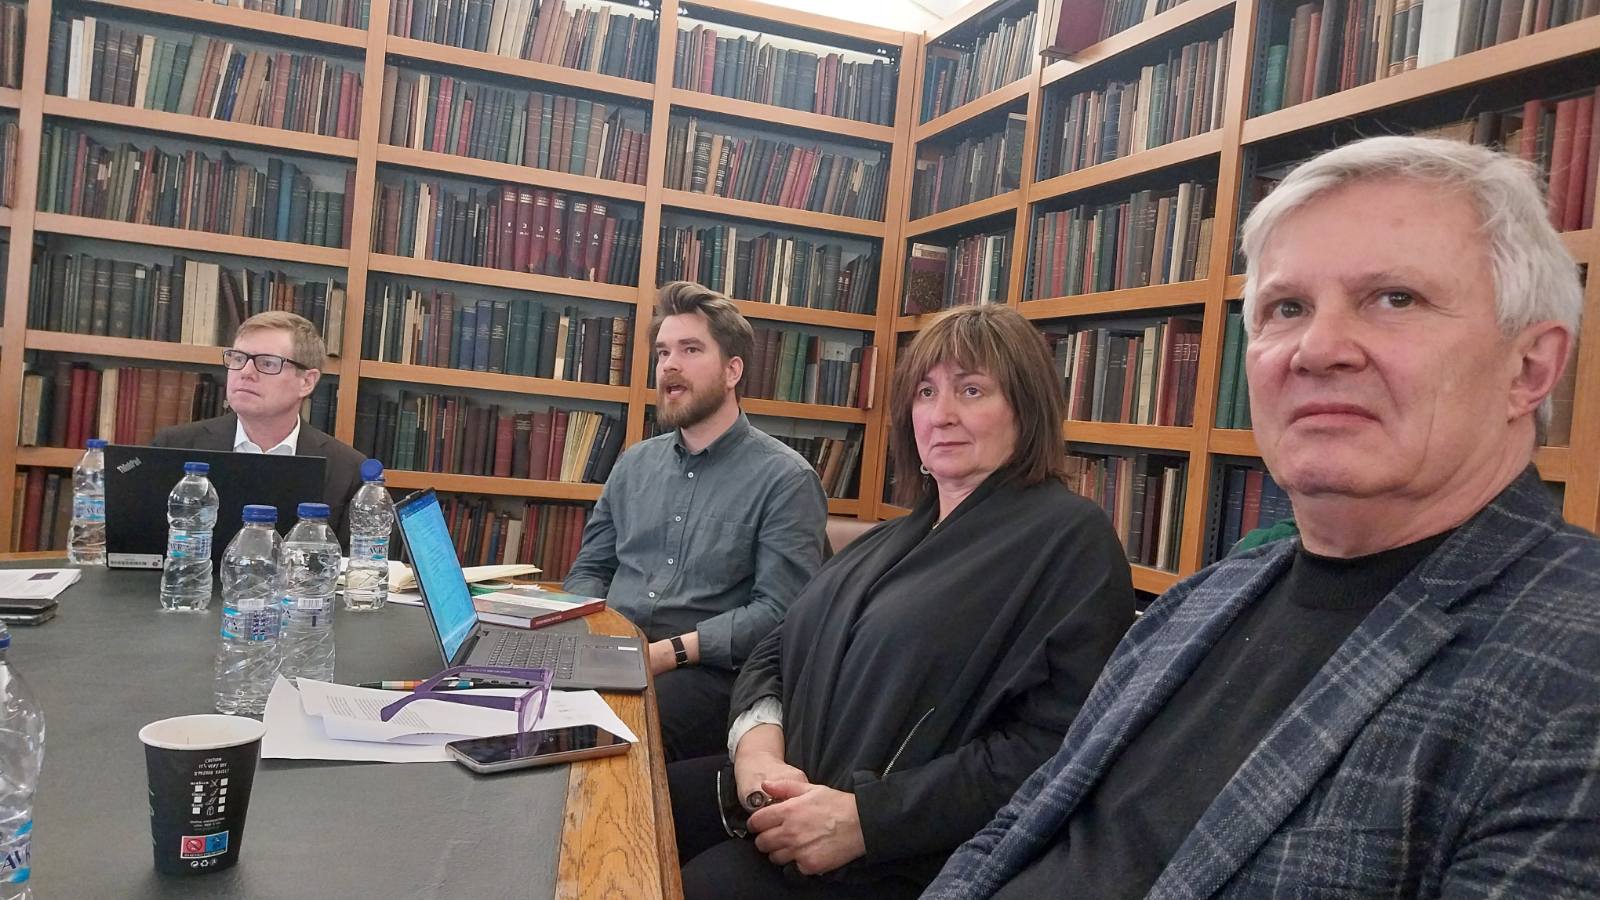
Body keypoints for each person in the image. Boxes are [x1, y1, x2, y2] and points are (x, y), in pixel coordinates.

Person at [924, 135, 1600, 899]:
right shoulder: (1196, 601)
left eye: (1394, 299)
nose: (1318, 349)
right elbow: (1018, 828)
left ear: (1530, 368)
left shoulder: (1577, 671)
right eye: (1287, 308)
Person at [669, 304, 1136, 899]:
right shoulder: (892, 537)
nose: (941, 415)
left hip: (893, 855)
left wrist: (865, 821)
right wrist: (757, 749)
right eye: (925, 392)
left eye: (971, 390)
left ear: (1027, 407)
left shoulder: (1070, 541)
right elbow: (777, 647)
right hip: (783, 795)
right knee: (623, 808)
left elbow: (1057, 748)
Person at [564, 282, 828, 763]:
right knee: (514, 699)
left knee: (612, 730)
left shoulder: (786, 479)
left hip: (708, 672)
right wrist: (592, 633)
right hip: (615, 652)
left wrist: (669, 652)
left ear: (732, 371)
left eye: (690, 349)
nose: (670, 365)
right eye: (663, 352)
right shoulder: (633, 464)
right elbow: (591, 569)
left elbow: (781, 611)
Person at [153, 311, 365, 538]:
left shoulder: (348, 470)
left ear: (306, 381)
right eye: (238, 359)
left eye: (267, 363)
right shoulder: (174, 446)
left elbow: (353, 558)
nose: (245, 372)